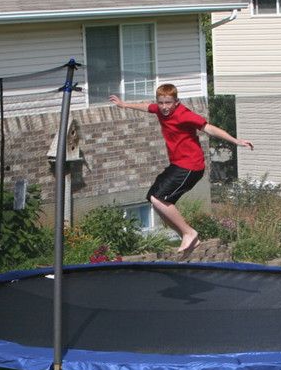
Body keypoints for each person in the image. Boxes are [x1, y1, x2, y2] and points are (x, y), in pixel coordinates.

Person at [109, 84, 254, 253]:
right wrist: (124, 104)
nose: (164, 107)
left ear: (176, 102)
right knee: (153, 199)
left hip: (191, 165)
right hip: (177, 164)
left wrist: (235, 141)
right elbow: (147, 107)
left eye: (168, 103)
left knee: (159, 198)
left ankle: (189, 233)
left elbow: (209, 128)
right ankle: (187, 237)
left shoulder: (184, 114)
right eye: (161, 102)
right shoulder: (159, 109)